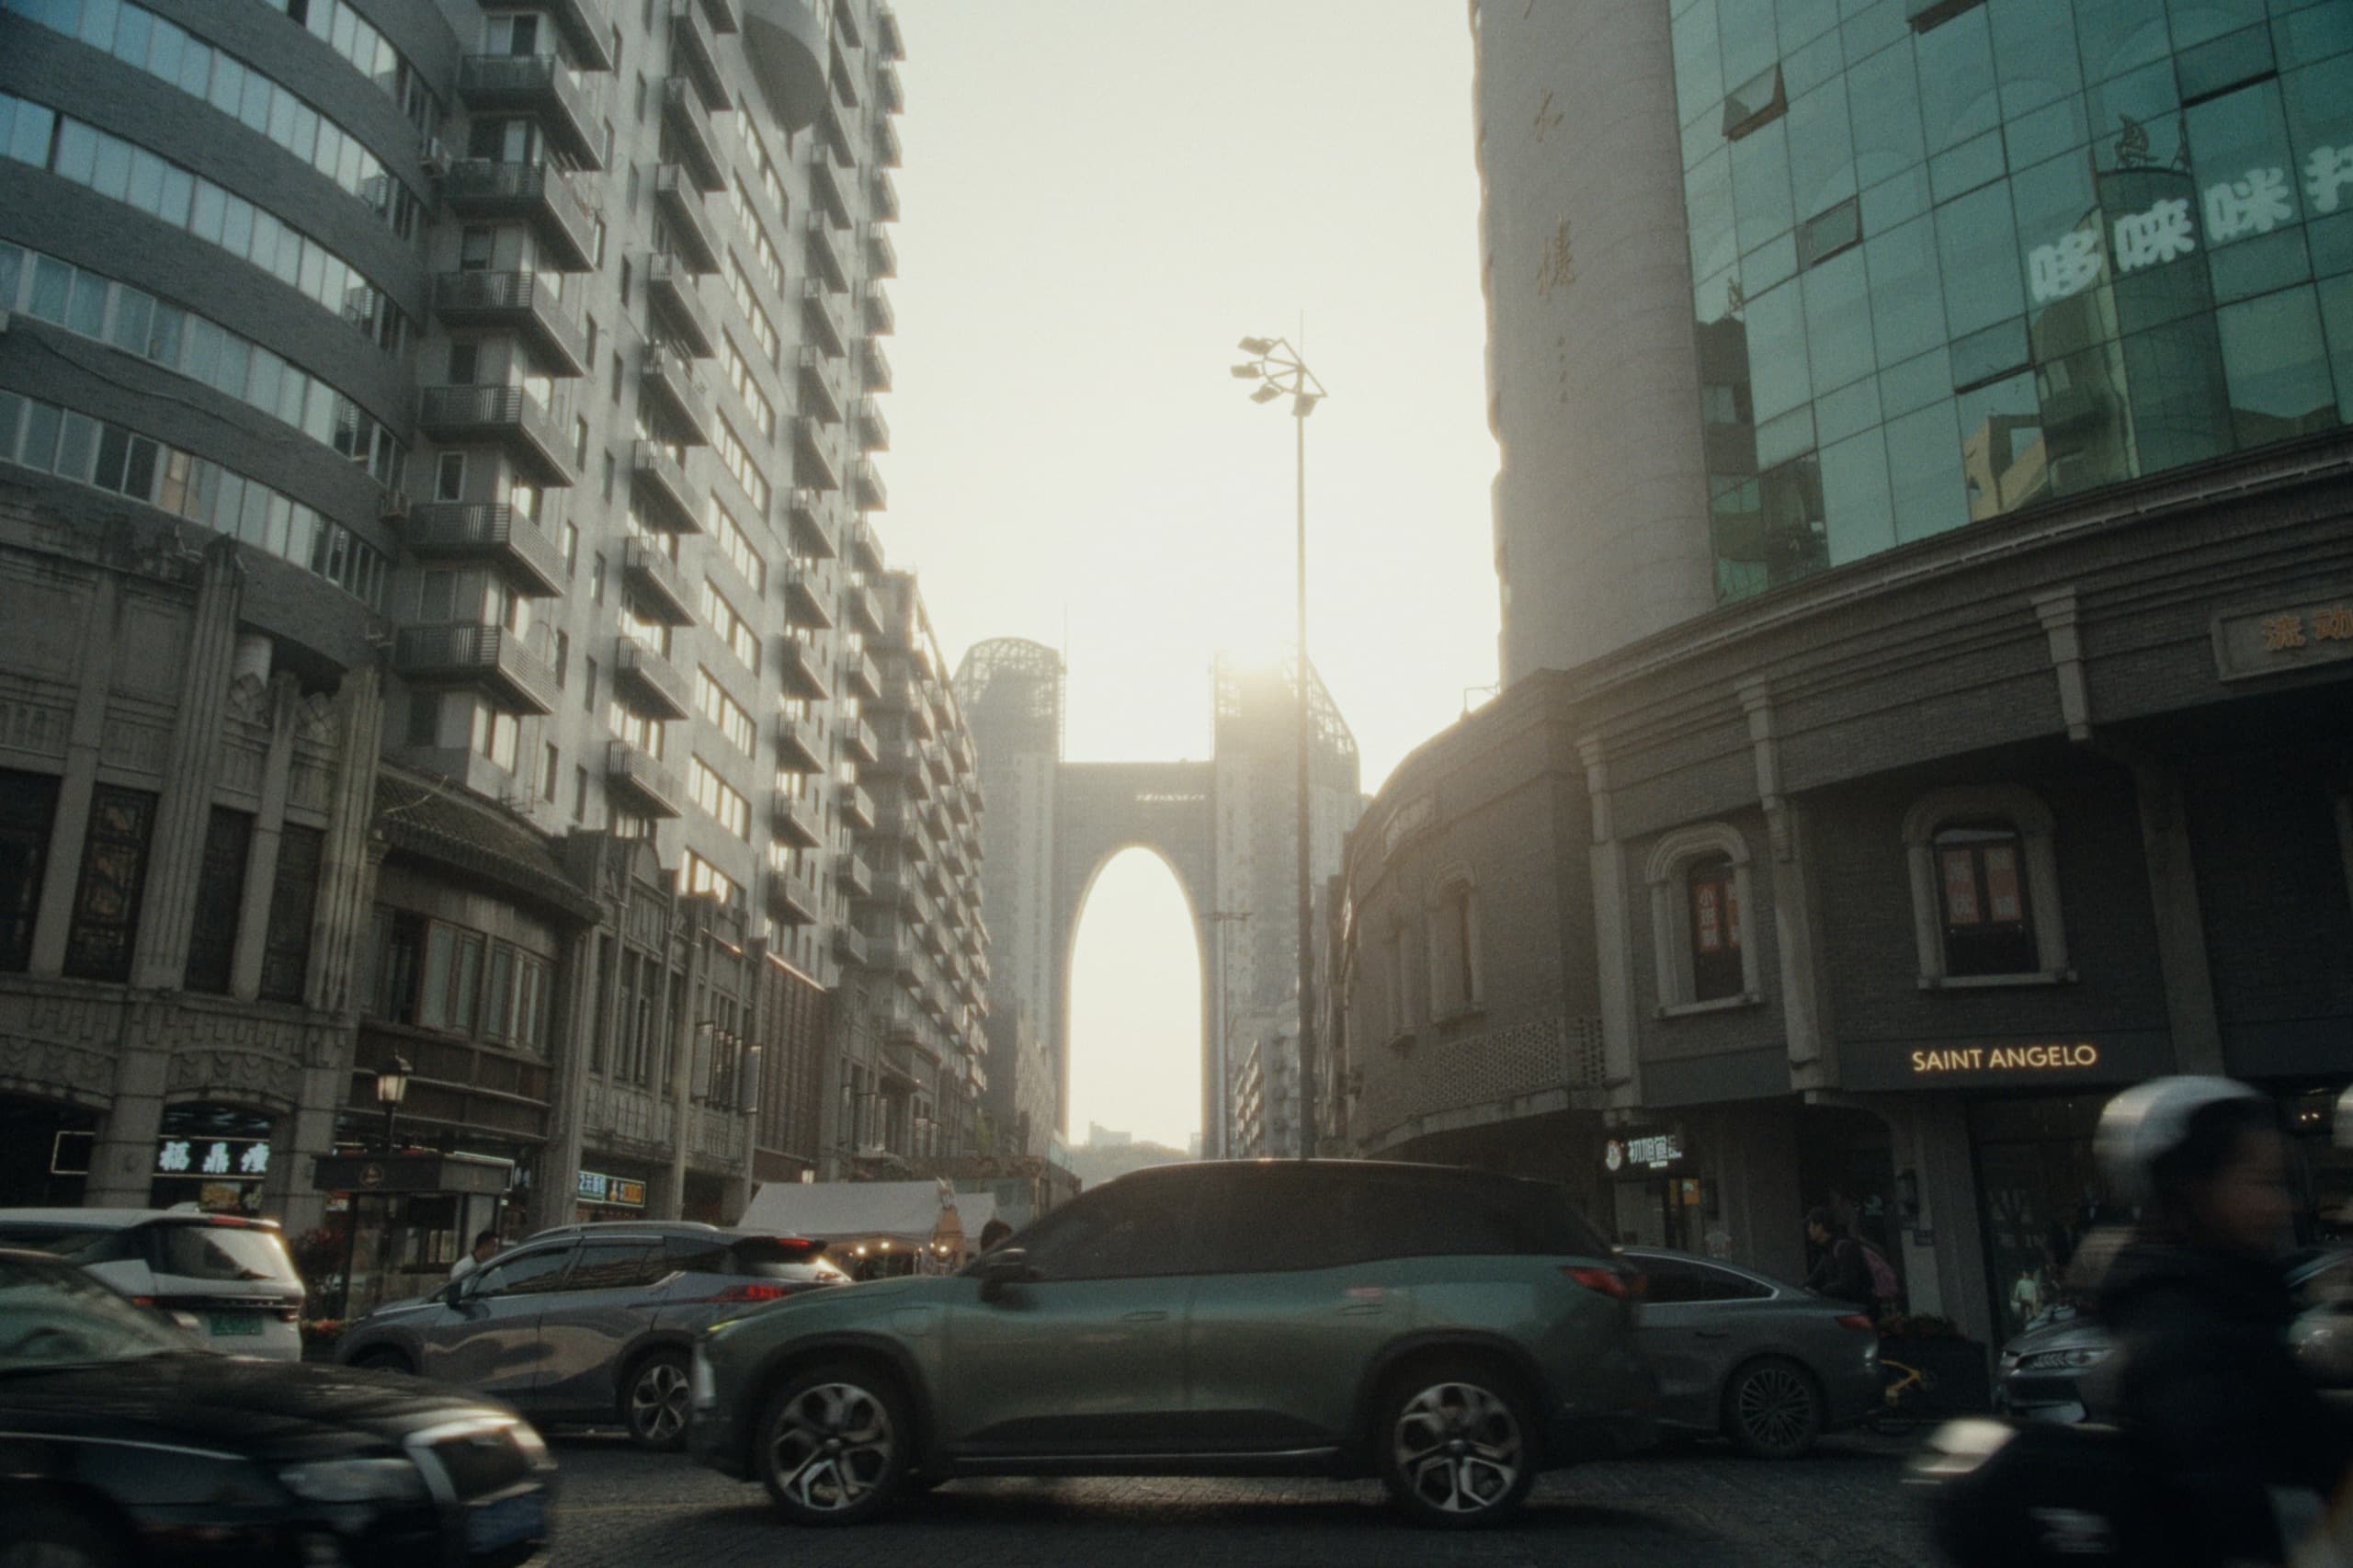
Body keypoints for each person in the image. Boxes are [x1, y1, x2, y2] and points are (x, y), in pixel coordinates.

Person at [2089, 1076, 2353, 1566]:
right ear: (2189, 1190)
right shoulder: (2184, 1331)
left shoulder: (2232, 1304)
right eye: (2261, 1183)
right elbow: (2238, 1510)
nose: (2283, 1205)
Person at [1801, 1206, 1876, 1309]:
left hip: (1859, 1309)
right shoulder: (1828, 1251)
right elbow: (1814, 1279)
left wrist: (1819, 1292)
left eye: (1810, 1225)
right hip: (1847, 1308)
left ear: (1820, 1227)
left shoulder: (1844, 1248)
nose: (1809, 1230)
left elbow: (1847, 1283)